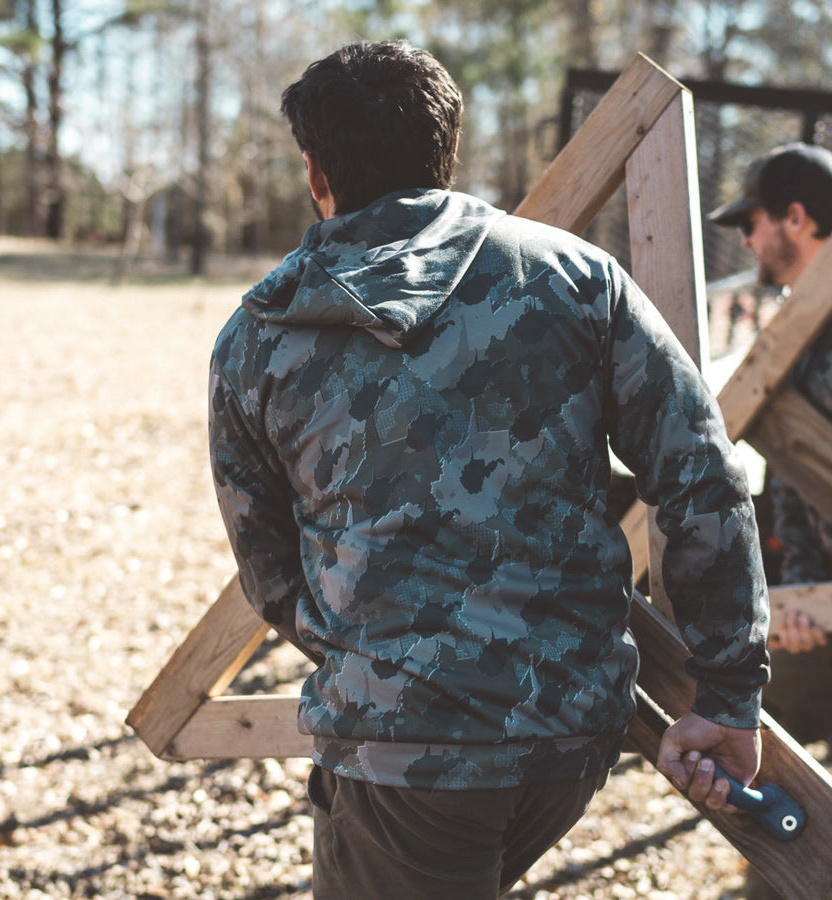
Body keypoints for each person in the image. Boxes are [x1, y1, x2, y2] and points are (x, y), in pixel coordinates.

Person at [209, 41, 769, 899]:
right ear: (445, 152)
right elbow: (700, 474)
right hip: (571, 734)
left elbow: (267, 560)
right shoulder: (579, 279)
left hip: (399, 757)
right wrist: (728, 689)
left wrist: (376, 664)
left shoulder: (259, 337)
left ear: (316, 172)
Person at [709, 143, 832, 900]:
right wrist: (798, 594)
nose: (747, 242)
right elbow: (789, 487)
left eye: (753, 222)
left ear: (796, 216)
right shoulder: (798, 334)